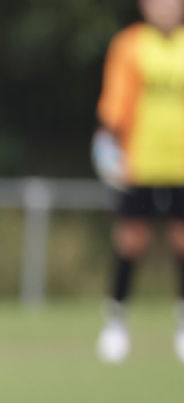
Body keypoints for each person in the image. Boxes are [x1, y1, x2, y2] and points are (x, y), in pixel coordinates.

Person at [95, 0, 184, 364]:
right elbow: (114, 106)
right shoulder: (129, 46)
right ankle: (116, 322)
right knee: (132, 242)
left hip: (180, 167)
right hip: (139, 166)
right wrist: (107, 144)